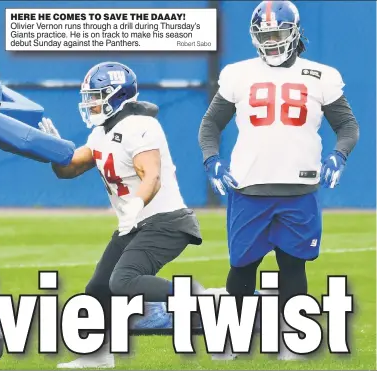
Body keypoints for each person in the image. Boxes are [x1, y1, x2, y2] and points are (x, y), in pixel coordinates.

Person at [198, 0, 359, 360]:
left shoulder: (322, 76)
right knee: (242, 265)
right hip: (249, 185)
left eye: (278, 32)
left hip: (299, 188)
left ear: (295, 31)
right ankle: (232, 338)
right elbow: (210, 125)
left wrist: (339, 154)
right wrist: (212, 160)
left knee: (293, 265)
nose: (271, 41)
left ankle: (292, 339)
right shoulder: (238, 74)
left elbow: (347, 125)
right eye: (264, 34)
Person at [39, 61, 203, 368]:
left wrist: (134, 205)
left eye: (97, 95)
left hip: (165, 221)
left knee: (124, 281)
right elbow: (69, 169)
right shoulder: (102, 133)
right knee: (98, 288)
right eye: (89, 96)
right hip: (135, 223)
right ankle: (98, 355)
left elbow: (151, 176)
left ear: (118, 95)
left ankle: (203, 302)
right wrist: (52, 149)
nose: (90, 103)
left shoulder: (140, 125)